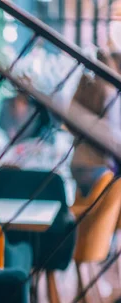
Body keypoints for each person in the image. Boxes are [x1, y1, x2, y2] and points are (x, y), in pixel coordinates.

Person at [70, 49, 121, 197]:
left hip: (77, 163)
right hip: (99, 166)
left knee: (85, 207)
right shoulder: (111, 93)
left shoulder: (84, 86)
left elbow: (70, 122)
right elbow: (113, 133)